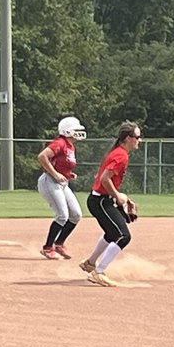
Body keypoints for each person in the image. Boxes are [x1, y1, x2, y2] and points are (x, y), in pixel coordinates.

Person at [80, 122, 142, 287]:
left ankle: (90, 263)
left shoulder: (119, 153)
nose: (139, 140)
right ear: (128, 138)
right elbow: (104, 179)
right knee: (123, 236)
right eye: (137, 137)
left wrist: (121, 197)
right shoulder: (121, 155)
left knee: (111, 233)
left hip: (101, 200)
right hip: (100, 201)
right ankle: (98, 272)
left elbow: (104, 178)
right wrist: (117, 197)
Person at [36, 116, 86, 259]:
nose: (79, 132)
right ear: (67, 131)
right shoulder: (60, 143)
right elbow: (42, 156)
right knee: (62, 215)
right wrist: (56, 174)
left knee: (76, 215)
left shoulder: (71, 146)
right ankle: (47, 248)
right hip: (49, 181)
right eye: (76, 130)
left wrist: (68, 174)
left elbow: (61, 164)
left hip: (62, 184)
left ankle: (59, 244)